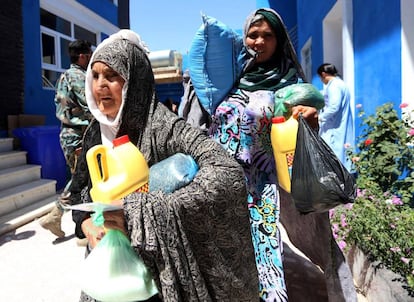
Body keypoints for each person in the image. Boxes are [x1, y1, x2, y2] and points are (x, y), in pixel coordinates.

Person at [69, 29, 259, 302]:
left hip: (155, 277)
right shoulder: (94, 135)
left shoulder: (166, 128)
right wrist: (87, 225)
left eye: (112, 76)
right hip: (109, 269)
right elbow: (78, 193)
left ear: (134, 82)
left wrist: (141, 214)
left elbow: (225, 172)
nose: (100, 85)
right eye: (95, 75)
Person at [208, 9, 357, 301]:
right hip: (239, 190)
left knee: (310, 254)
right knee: (252, 263)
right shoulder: (229, 81)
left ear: (279, 41)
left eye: (268, 35)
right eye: (253, 35)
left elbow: (306, 130)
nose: (259, 42)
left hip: (287, 185)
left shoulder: (292, 85)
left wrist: (310, 119)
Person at [39, 39, 93, 238]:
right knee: (82, 181)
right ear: (82, 56)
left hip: (69, 135)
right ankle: (67, 221)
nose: (90, 59)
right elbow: (90, 108)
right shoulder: (79, 77)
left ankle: (58, 216)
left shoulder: (64, 77)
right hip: (78, 136)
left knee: (79, 179)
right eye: (88, 55)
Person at [317, 63, 354, 171]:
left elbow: (333, 107)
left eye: (320, 78)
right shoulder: (341, 84)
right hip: (340, 124)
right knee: (342, 154)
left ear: (323, 74)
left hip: (334, 127)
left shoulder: (334, 86)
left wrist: (320, 117)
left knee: (333, 154)